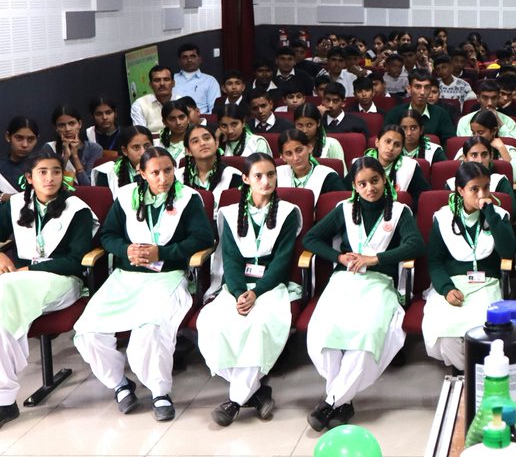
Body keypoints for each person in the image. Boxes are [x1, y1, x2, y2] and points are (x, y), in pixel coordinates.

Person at [74, 147, 214, 420]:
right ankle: (119, 383)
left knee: (150, 329)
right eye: (155, 172)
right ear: (142, 173)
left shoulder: (188, 198)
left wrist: (161, 252)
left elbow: (202, 240)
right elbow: (108, 235)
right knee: (87, 331)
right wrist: (126, 250)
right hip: (126, 279)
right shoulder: (126, 197)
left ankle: (159, 391)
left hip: (167, 277)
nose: (163, 178)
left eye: (168, 171)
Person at [302, 156, 421, 431]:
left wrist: (375, 259)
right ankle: (341, 401)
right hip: (344, 281)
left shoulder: (400, 211)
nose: (370, 188)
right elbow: (311, 238)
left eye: (375, 181)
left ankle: (331, 401)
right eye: (363, 184)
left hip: (379, 282)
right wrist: (339, 257)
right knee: (326, 331)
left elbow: (415, 245)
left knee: (367, 334)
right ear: (355, 186)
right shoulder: (344, 209)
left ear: (385, 180)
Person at [197, 154, 301, 425]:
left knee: (258, 325)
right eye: (258, 176)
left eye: (271, 175)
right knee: (213, 323)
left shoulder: (288, 212)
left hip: (269, 287)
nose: (266, 181)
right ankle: (257, 392)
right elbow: (230, 259)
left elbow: (281, 262)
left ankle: (234, 402)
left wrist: (255, 293)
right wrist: (239, 292)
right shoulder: (230, 214)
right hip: (237, 287)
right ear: (245, 179)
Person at [0, 153, 98, 428]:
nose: (50, 178)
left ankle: (5, 399)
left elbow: (77, 261)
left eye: (56, 172)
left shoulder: (76, 209)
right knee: (4, 301)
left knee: (5, 292)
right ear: (29, 178)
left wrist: (31, 270)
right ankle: (4, 399)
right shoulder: (16, 204)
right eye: (42, 172)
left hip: (63, 282)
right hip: (18, 286)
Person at [422, 162, 516, 371]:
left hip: (486, 283)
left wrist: (491, 214)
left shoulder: (498, 215)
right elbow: (435, 261)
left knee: (485, 329)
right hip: (453, 284)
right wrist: (446, 290)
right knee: (445, 332)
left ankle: (472, 373)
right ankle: (472, 371)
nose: (482, 194)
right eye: (474, 189)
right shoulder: (444, 217)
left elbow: (509, 251)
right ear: (461, 190)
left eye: (486, 187)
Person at [383, 69, 454, 143]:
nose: (422, 92)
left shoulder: (441, 114)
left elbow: (449, 143)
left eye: (426, 87)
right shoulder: (394, 113)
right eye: (418, 87)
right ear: (409, 89)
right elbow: (385, 140)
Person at [455, 136, 516, 212]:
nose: (480, 161)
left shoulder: (500, 181)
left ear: (491, 157)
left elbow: (514, 215)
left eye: (484, 155)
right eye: (474, 155)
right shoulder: (452, 183)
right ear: (465, 158)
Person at [177, 123, 243, 197]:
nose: (202, 143)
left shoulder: (233, 176)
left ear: (216, 143)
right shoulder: (178, 176)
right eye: (195, 141)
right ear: (188, 151)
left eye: (206, 138)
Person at [276, 129, 344, 199]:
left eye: (299, 150)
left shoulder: (329, 178)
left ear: (310, 147)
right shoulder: (276, 176)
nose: (295, 158)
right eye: (289, 154)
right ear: (283, 157)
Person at [364, 124, 430, 197]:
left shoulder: (410, 167)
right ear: (377, 142)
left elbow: (421, 198)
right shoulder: (360, 165)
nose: (391, 148)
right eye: (387, 141)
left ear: (402, 148)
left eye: (397, 145)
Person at [50, 105, 103, 186]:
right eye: (62, 125)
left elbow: (88, 186)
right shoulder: (50, 149)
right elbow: (51, 182)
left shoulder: (94, 149)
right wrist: (66, 156)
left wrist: (75, 156)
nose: (67, 129)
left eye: (71, 123)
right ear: (56, 127)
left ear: (80, 124)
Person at [293, 103, 346, 173]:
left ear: (318, 123)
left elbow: (342, 175)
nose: (304, 130)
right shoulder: (289, 146)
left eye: (309, 125)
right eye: (300, 125)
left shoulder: (332, 144)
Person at [130, 65, 177, 136]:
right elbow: (141, 135)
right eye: (157, 80)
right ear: (150, 85)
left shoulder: (181, 101)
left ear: (173, 83)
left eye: (166, 79)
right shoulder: (139, 105)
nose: (162, 84)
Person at [174, 43, 220, 114]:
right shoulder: (171, 79)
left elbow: (214, 110)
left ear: (199, 59)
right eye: (185, 57)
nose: (189, 60)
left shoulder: (210, 81)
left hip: (201, 121)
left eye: (193, 56)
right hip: (175, 121)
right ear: (179, 61)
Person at [2, 118, 41, 200]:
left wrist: (11, 198)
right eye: (19, 138)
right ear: (8, 136)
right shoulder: (1, 168)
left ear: (37, 139)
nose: (25, 144)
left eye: (30, 139)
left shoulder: (43, 167)